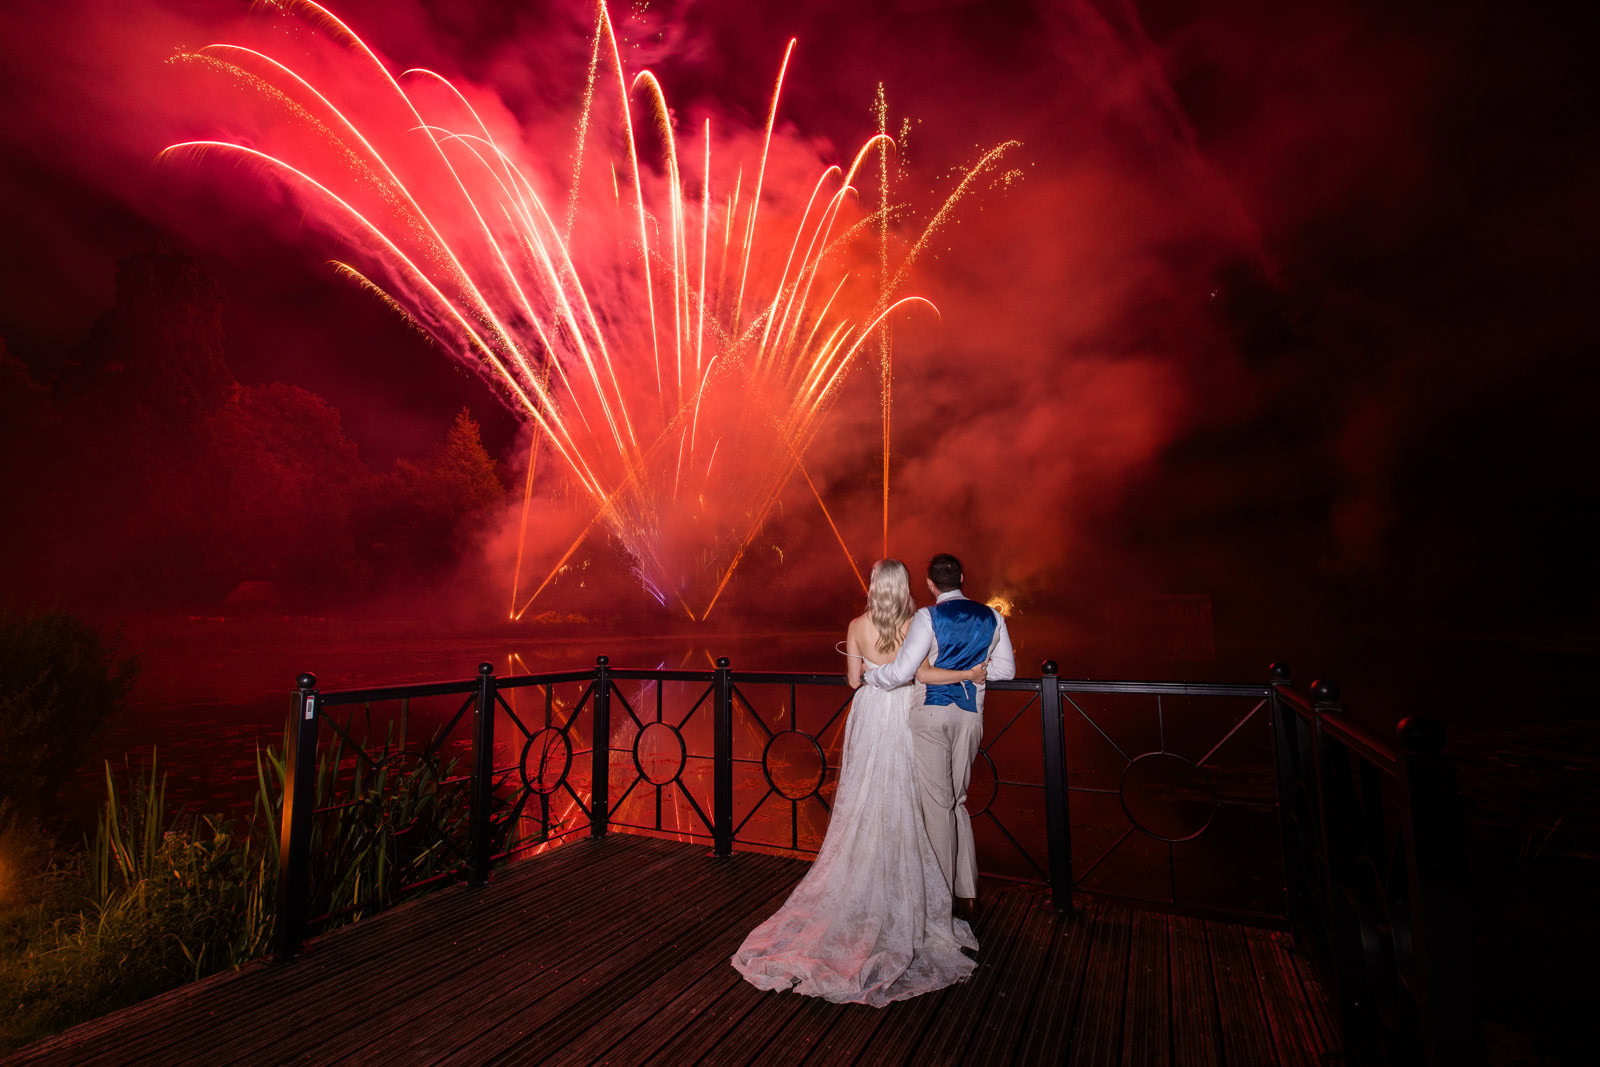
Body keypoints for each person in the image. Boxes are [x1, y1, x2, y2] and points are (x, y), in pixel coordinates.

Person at [730, 559, 986, 1005]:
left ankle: (867, 872)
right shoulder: (917, 621)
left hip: (870, 713)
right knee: (908, 798)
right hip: (906, 711)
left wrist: (871, 672)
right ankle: (912, 884)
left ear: (872, 587)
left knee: (866, 797)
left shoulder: (855, 624)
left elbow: (853, 681)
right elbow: (919, 672)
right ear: (906, 587)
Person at [864, 553, 1015, 919]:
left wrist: (873, 677)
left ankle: (939, 897)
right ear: (962, 577)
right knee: (958, 801)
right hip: (970, 716)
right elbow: (1006, 672)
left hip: (931, 715)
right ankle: (967, 892)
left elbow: (902, 671)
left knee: (936, 806)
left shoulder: (927, 617)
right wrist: (974, 671)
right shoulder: (992, 616)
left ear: (930, 584)